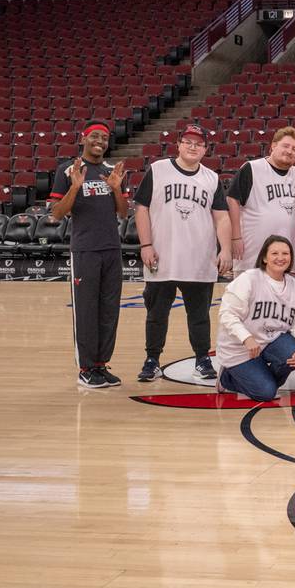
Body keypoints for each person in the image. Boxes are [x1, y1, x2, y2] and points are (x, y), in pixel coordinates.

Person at [132, 123, 232, 383]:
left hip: (199, 259)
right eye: (188, 141)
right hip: (161, 257)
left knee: (199, 316)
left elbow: (221, 218)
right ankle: (152, 359)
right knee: (156, 315)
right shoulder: (158, 170)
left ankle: (202, 358)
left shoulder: (211, 178)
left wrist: (226, 250)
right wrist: (146, 245)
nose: (192, 146)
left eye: (198, 143)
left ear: (205, 149)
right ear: (178, 144)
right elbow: (141, 208)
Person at [50, 119, 128, 388]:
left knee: (109, 310)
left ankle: (101, 365)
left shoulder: (110, 170)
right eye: (95, 136)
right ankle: (85, 368)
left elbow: (123, 212)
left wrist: (117, 188)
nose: (100, 142)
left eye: (104, 138)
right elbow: (57, 213)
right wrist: (74, 186)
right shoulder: (67, 170)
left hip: (111, 249)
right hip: (85, 249)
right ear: (83, 139)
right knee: (86, 310)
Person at [215, 234, 295, 401]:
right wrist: (246, 338)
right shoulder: (249, 279)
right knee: (265, 393)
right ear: (265, 258)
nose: (280, 258)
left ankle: (259, 377)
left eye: (285, 253)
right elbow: (227, 314)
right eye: (274, 253)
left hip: (270, 341)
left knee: (293, 353)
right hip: (240, 347)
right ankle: (227, 377)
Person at [228, 127, 295, 275]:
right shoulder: (252, 168)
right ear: (273, 146)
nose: (290, 151)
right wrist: (235, 236)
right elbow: (232, 199)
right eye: (286, 146)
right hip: (252, 254)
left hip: (286, 259)